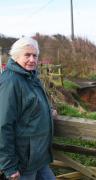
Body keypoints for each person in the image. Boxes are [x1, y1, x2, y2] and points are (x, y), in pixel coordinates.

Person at [0, 37, 56, 180]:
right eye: (27, 55)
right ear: (16, 56)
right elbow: (3, 125)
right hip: (22, 163)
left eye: (35, 56)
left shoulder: (31, 77)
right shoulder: (11, 82)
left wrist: (48, 112)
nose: (32, 59)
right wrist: (9, 166)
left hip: (38, 157)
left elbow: (31, 105)